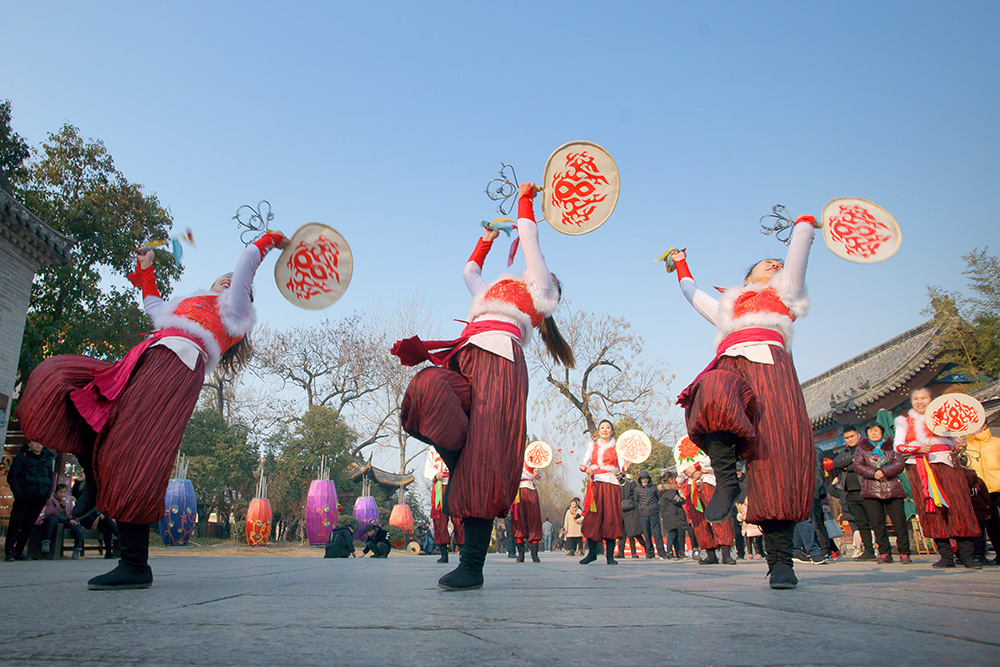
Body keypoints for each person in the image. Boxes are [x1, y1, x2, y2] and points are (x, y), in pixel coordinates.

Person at [16, 231, 289, 588]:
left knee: (135, 454)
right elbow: (153, 306)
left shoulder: (235, 311)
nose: (228, 279)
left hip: (174, 372)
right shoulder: (185, 307)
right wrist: (146, 271)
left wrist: (269, 240)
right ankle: (94, 479)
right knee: (62, 380)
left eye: (234, 282)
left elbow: (245, 266)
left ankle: (134, 563)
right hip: (142, 363)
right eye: (221, 278)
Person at [394, 182, 574, 591]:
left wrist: (526, 201)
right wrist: (486, 239)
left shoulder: (540, 293)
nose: (530, 270)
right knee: (426, 389)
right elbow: (469, 272)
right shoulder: (491, 291)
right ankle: (461, 465)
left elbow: (530, 238)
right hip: (466, 354)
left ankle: (471, 565)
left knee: (486, 459)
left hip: (501, 365)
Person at [667, 215, 818, 588]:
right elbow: (691, 292)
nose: (777, 264)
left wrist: (804, 227)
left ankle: (780, 561)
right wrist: (681, 262)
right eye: (768, 262)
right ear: (747, 278)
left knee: (775, 457)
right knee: (712, 391)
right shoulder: (727, 307)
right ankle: (726, 478)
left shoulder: (785, 295)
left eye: (779, 264)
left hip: (773, 368)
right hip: (731, 363)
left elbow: (797, 258)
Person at [894, 387, 981, 569]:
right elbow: (898, 446)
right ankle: (946, 556)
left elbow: (957, 443)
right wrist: (916, 448)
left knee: (959, 506)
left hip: (947, 465)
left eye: (923, 398)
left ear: (931, 399)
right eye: (916, 398)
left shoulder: (945, 418)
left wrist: (959, 444)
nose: (920, 402)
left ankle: (967, 555)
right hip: (921, 469)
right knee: (932, 509)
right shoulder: (905, 422)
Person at [674, 435, 736, 565]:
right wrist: (688, 472)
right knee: (699, 519)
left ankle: (726, 552)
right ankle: (710, 553)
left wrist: (696, 467)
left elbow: (715, 458)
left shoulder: (709, 438)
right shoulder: (683, 441)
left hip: (710, 480)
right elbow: (680, 465)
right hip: (692, 484)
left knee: (719, 515)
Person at [853, 424, 911, 564]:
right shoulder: (861, 450)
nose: (873, 433)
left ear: (882, 432)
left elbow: (899, 464)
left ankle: (904, 552)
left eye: (876, 430)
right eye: (870, 431)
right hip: (872, 490)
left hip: (892, 488)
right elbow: (858, 466)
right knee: (878, 524)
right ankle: (884, 552)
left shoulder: (892, 447)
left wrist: (884, 472)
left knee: (899, 522)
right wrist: (874, 473)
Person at [579, 420, 624, 565]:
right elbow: (583, 464)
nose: (605, 430)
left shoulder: (618, 447)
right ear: (598, 431)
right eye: (602, 428)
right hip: (596, 485)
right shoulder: (593, 446)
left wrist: (625, 469)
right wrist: (587, 469)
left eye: (608, 428)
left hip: (611, 485)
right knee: (593, 518)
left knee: (611, 518)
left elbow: (622, 466)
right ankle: (592, 553)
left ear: (612, 431)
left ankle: (610, 556)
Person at [4, 441, 55, 562]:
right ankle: (9, 551)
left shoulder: (47, 459)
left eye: (40, 442)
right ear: (29, 444)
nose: (38, 445)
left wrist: (47, 494)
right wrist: (19, 494)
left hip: (39, 498)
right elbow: (12, 476)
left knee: (28, 525)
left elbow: (50, 477)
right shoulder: (22, 457)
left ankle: (20, 551)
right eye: (35, 442)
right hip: (24, 497)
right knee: (16, 523)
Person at [833, 427, 875, 561]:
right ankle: (868, 550)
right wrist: (852, 460)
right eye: (847, 438)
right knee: (861, 523)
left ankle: (882, 549)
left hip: (866, 489)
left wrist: (847, 465)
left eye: (852, 436)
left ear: (859, 435)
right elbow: (836, 463)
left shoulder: (866, 449)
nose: (850, 439)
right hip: (850, 492)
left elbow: (863, 465)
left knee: (874, 521)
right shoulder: (844, 451)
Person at [963, 426, 1000, 564]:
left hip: (997, 486)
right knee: (985, 523)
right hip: (978, 489)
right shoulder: (965, 444)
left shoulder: (997, 442)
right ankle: (980, 554)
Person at [424, 448, 463, 564]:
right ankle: (443, 553)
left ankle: (463, 551)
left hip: (454, 483)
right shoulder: (432, 449)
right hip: (439, 486)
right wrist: (436, 474)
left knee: (459, 518)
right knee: (439, 519)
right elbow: (428, 467)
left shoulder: (456, 442)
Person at [37, 484, 86, 559]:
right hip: (54, 518)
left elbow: (71, 512)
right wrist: (60, 506)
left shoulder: (68, 499)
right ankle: (46, 541)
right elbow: (49, 513)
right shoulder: (51, 499)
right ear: (56, 493)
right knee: (52, 520)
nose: (62, 495)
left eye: (64, 492)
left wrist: (72, 519)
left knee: (78, 528)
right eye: (60, 492)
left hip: (65, 519)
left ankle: (77, 549)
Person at [511, 461, 543, 563]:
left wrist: (537, 474)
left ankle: (534, 554)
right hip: (517, 491)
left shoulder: (533, 458)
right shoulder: (513, 455)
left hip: (530, 489)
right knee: (518, 521)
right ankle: (521, 554)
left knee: (534, 519)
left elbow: (539, 476)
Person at [635, 470, 667, 559]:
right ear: (640, 479)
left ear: (649, 479)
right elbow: (636, 501)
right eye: (643, 478)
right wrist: (641, 507)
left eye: (646, 478)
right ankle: (649, 553)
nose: (644, 480)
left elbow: (657, 498)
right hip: (643, 514)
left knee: (657, 534)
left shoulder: (654, 488)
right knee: (646, 534)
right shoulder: (637, 489)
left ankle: (661, 552)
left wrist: (654, 506)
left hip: (654, 513)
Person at [658, 474, 688, 559]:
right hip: (671, 515)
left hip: (671, 515)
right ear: (670, 479)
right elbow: (676, 500)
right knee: (671, 534)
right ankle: (669, 552)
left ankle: (679, 552)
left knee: (675, 534)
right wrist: (685, 500)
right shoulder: (669, 490)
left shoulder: (664, 490)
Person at [617, 471, 645, 558]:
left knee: (633, 533)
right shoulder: (617, 484)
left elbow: (637, 494)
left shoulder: (627, 483)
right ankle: (621, 552)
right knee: (624, 532)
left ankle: (645, 549)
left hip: (629, 511)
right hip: (624, 511)